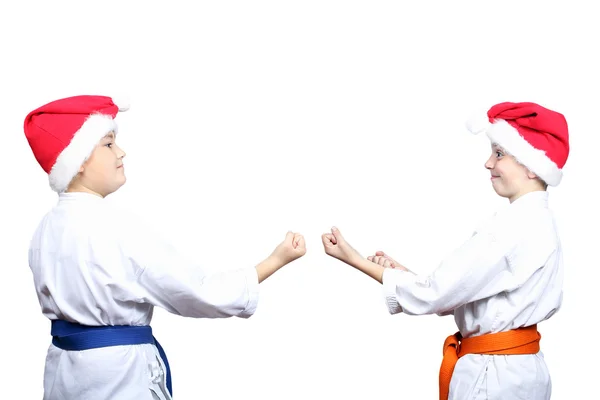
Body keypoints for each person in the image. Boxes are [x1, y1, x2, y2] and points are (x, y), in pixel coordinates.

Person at [24, 94, 306, 400]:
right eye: (108, 144)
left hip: (64, 372)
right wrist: (276, 260)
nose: (121, 152)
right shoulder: (115, 228)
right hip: (117, 377)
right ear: (77, 161)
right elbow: (198, 292)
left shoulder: (45, 229)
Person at [321, 101, 569, 400]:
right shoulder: (541, 221)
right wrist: (403, 275)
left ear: (531, 166)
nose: (488, 163)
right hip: (523, 372)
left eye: (499, 153)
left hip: (493, 378)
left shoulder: (510, 228)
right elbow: (464, 291)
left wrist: (358, 261)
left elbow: (435, 294)